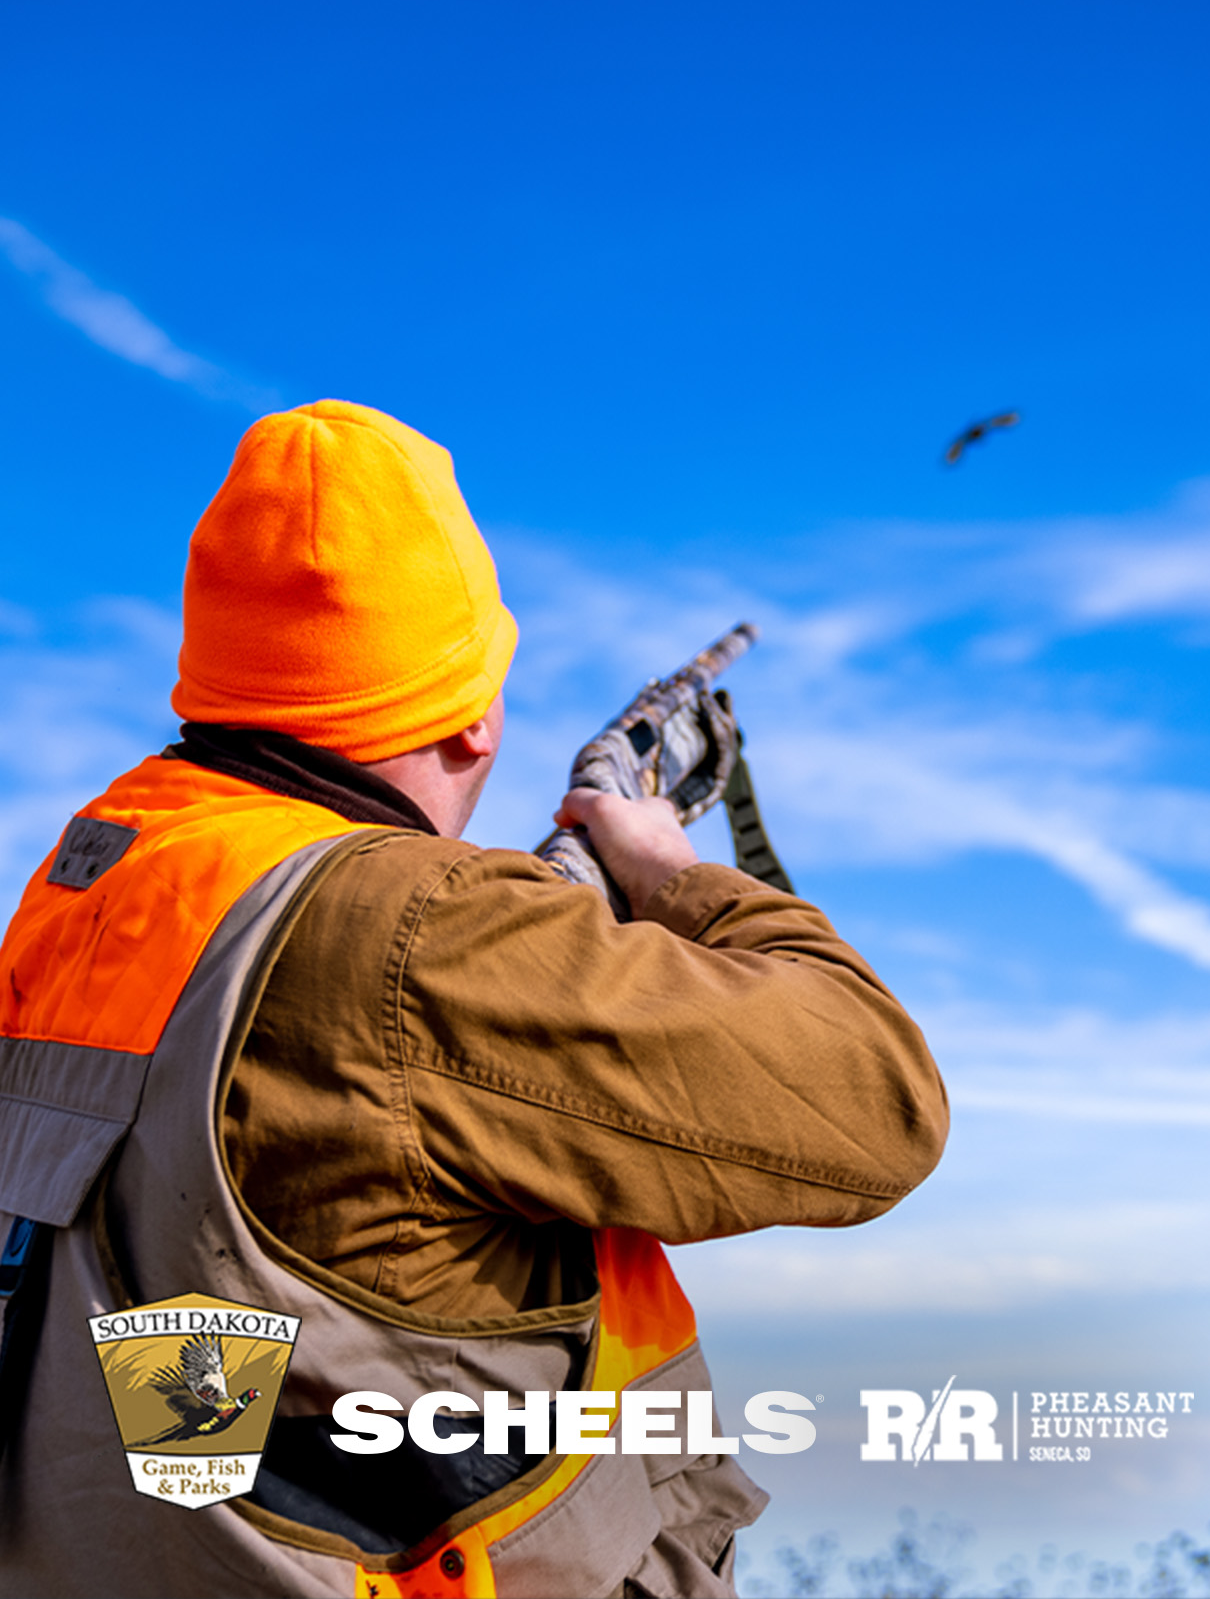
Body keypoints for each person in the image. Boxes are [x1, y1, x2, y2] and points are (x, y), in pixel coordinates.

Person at [0, 400, 948, 1598]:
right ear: (472, 714)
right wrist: (664, 868)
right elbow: (877, 1105)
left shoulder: (105, 871)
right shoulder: (423, 938)